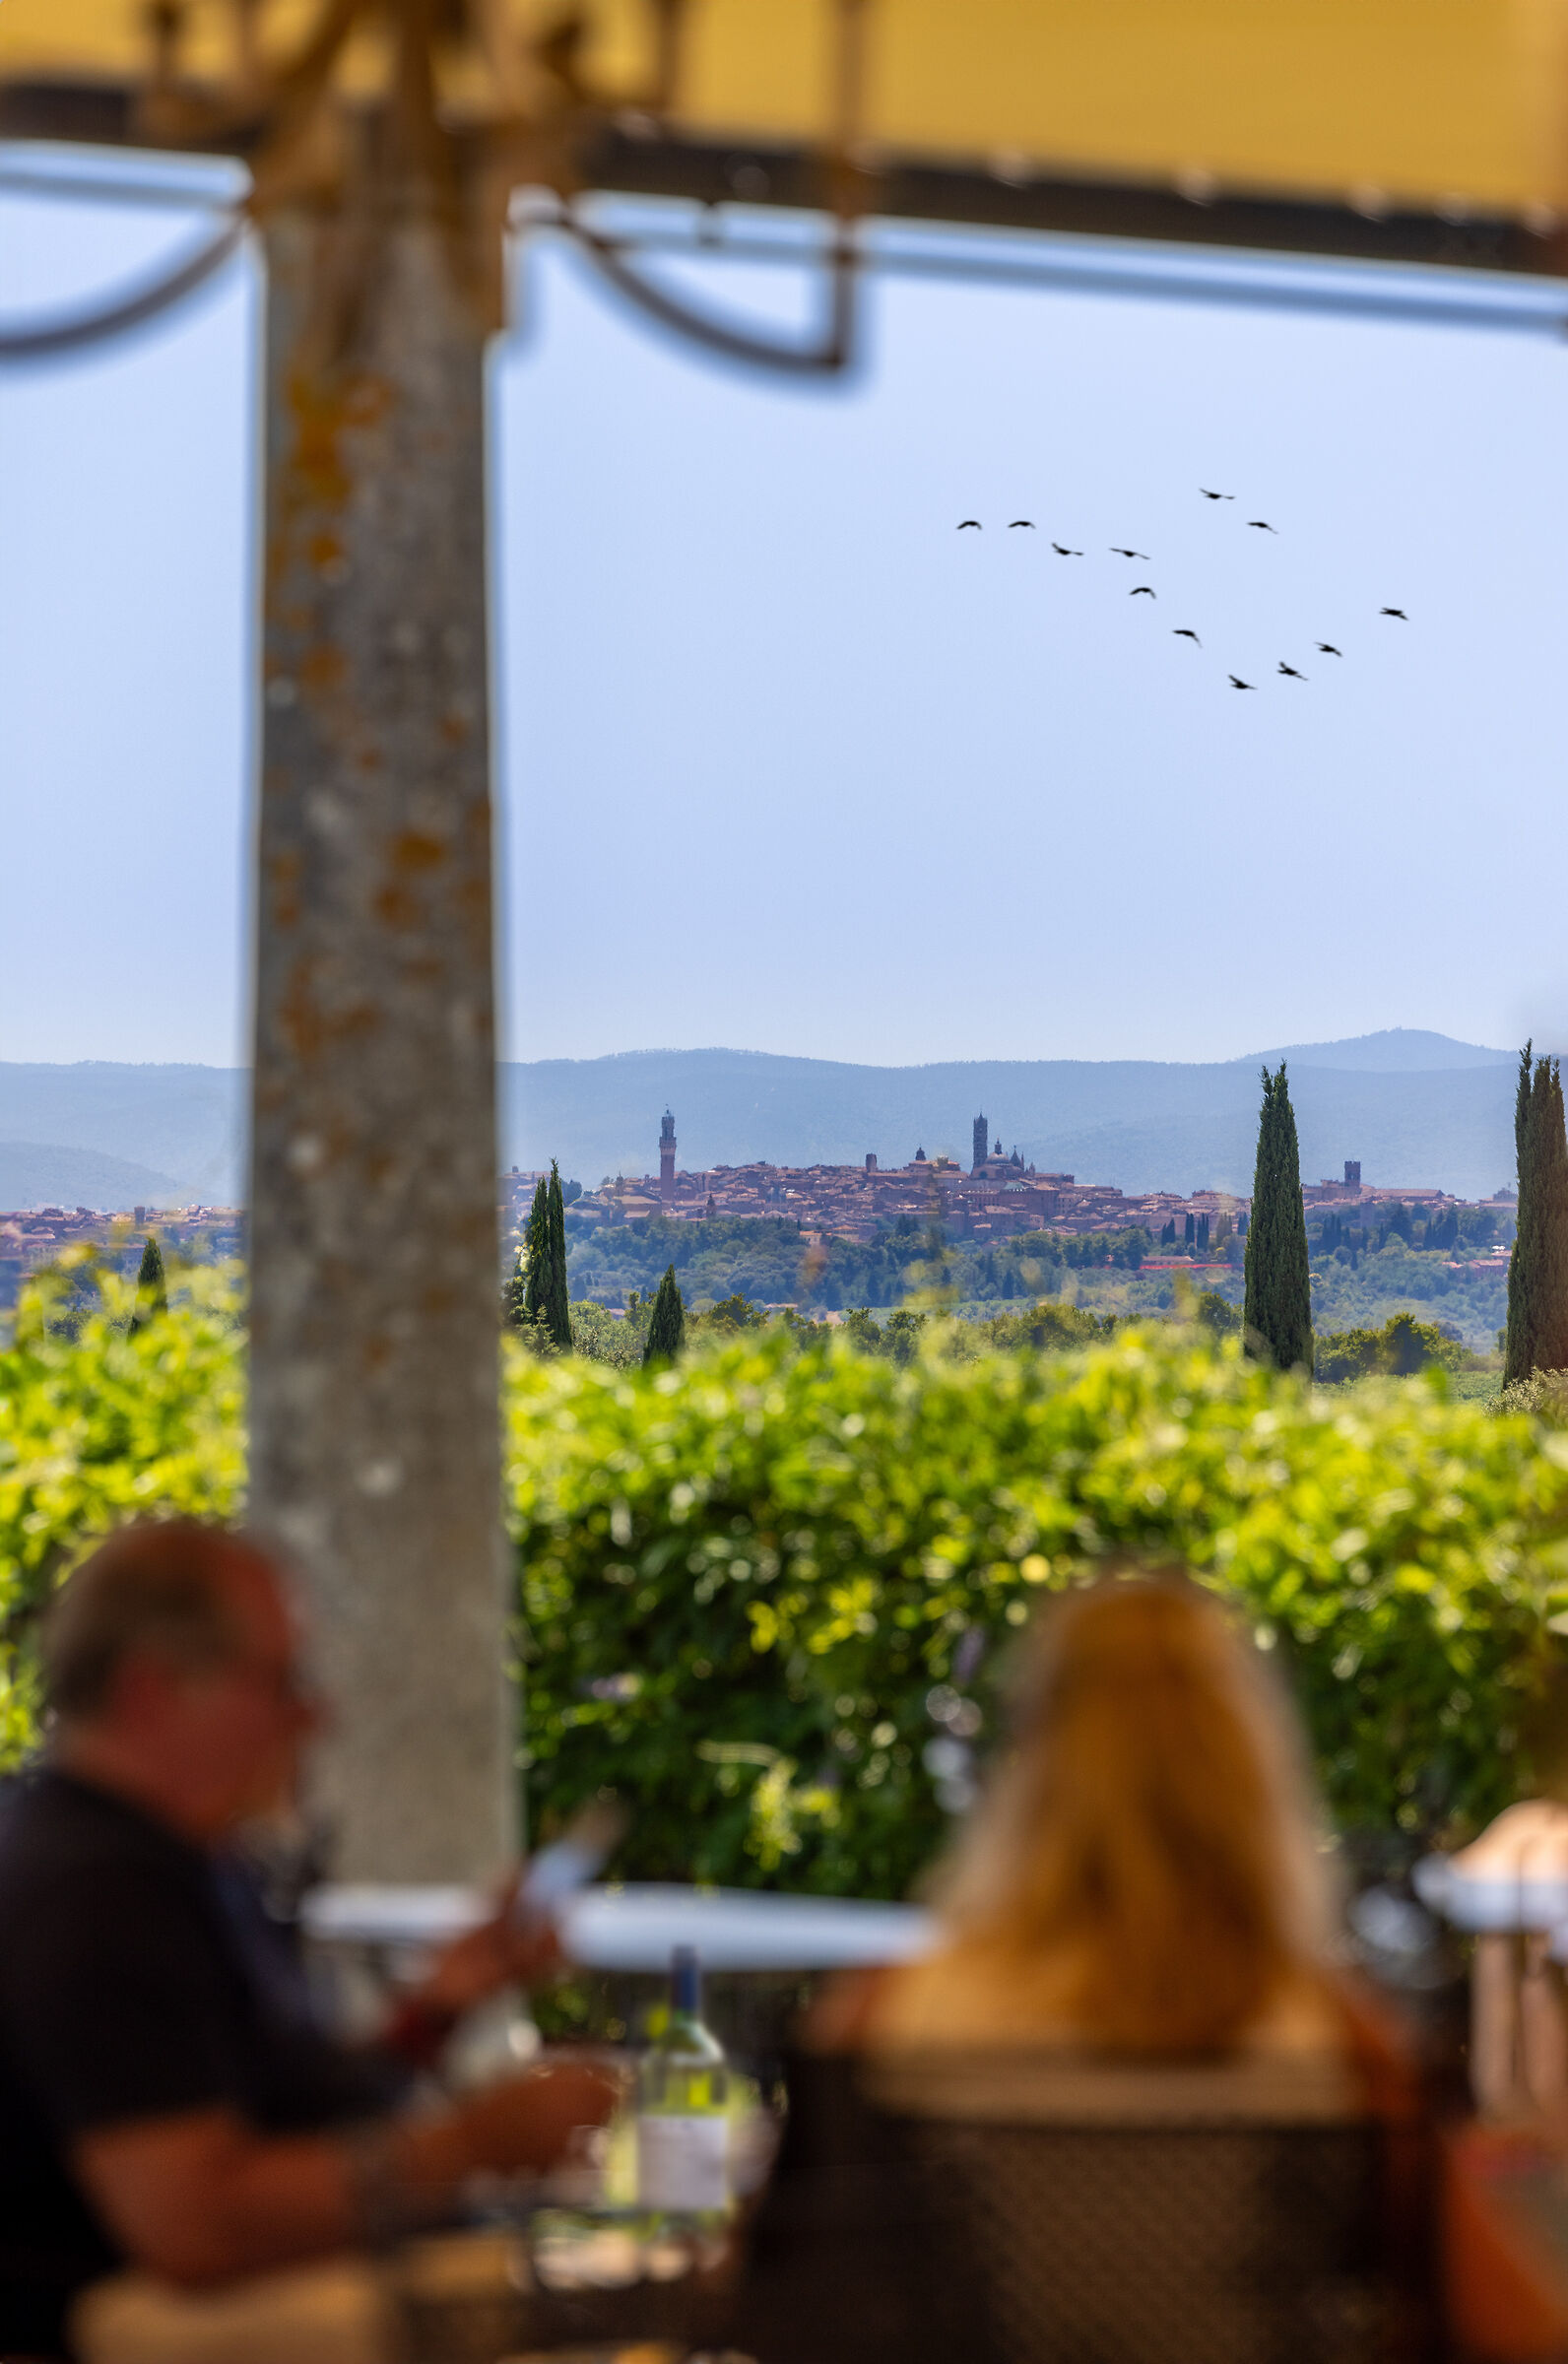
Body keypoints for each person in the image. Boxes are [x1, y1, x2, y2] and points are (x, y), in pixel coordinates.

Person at [733, 1571, 1428, 2364]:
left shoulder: (889, 2016)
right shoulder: (1345, 2042)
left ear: (1034, 1760)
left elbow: (792, 2308)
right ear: (1249, 1763)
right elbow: (1434, 2314)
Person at [0, 1520, 618, 2360]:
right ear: (152, 1690)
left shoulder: (182, 1862)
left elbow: (281, 2122)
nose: (314, 1715)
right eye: (281, 1680)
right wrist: (471, 2146)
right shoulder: (96, 1892)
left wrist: (440, 2006)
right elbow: (198, 2225)